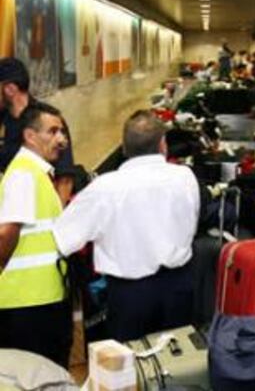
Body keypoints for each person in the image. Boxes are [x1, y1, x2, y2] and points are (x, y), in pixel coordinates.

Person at [53, 110, 200, 341]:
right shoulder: (185, 177)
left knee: (130, 367)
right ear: (163, 145)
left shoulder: (104, 188)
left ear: (124, 148)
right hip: (179, 287)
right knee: (178, 363)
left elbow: (64, 238)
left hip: (130, 295)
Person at [0, 102, 72, 367]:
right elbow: (6, 232)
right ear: (30, 136)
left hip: (40, 298)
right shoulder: (24, 175)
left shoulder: (37, 174)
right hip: (27, 304)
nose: (61, 139)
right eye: (52, 132)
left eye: (62, 132)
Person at [0, 58, 74, 204]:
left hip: (37, 208)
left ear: (10, 90)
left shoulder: (49, 121)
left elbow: (64, 179)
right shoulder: (4, 118)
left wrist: (57, 221)